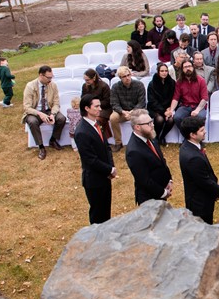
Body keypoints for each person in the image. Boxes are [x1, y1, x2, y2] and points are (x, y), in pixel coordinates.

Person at [74, 93, 116, 224]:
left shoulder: (96, 124)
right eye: (96, 106)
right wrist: (109, 169)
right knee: (98, 214)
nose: (100, 109)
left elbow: (106, 147)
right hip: (94, 180)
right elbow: (90, 159)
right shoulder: (82, 131)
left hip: (104, 176)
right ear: (87, 108)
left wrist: (111, 168)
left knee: (106, 212)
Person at [179, 115, 219, 224]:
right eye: (201, 130)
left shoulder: (189, 146)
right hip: (200, 203)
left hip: (202, 198)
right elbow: (204, 181)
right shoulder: (193, 158)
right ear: (192, 135)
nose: (205, 132)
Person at [125, 109, 173, 205]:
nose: (153, 125)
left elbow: (161, 161)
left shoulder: (150, 137)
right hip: (149, 199)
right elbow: (144, 180)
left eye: (151, 122)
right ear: (137, 127)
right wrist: (163, 193)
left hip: (161, 190)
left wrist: (169, 180)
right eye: (149, 123)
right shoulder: (134, 151)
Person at [22, 65, 66, 160]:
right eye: (48, 77)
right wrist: (40, 114)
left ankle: (53, 140)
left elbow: (56, 103)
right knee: (32, 122)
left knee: (61, 118)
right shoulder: (30, 86)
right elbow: (27, 107)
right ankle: (41, 147)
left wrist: (53, 114)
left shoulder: (53, 85)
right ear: (41, 75)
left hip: (48, 109)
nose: (50, 79)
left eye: (51, 77)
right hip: (34, 112)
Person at [109, 66, 147, 150]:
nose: (127, 78)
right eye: (124, 76)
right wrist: (123, 112)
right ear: (120, 78)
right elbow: (114, 103)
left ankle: (143, 140)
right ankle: (118, 143)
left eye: (128, 75)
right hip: (122, 112)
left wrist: (132, 112)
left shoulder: (139, 85)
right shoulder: (115, 87)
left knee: (143, 116)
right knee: (113, 118)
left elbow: (141, 102)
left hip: (136, 110)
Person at [168, 59, 208, 126]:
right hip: (185, 106)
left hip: (198, 106)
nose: (188, 68)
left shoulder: (201, 80)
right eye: (185, 67)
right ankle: (186, 135)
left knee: (200, 117)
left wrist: (197, 110)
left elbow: (204, 98)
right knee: (177, 117)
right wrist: (171, 110)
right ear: (182, 69)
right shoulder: (179, 82)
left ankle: (196, 136)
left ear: (193, 67)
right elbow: (176, 98)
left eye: (189, 66)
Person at [147, 62, 175, 144]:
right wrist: (164, 111)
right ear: (158, 72)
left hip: (168, 108)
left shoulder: (172, 82)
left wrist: (170, 109)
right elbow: (152, 101)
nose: (164, 73)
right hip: (155, 108)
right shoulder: (152, 84)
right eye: (162, 71)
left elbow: (173, 97)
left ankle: (162, 137)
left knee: (171, 120)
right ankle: (156, 136)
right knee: (159, 119)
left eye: (166, 71)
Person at [82, 68, 112, 140]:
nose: (86, 82)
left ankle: (101, 138)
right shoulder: (85, 86)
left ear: (94, 78)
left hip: (104, 109)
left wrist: (95, 105)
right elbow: (83, 99)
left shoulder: (104, 86)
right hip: (90, 108)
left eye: (88, 80)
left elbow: (107, 102)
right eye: (85, 80)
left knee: (96, 119)